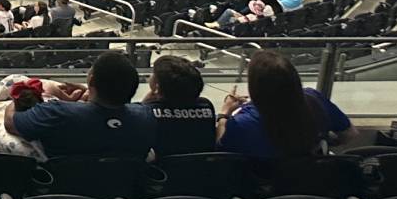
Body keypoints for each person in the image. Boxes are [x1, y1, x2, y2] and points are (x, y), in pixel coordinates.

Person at [2, 50, 153, 157]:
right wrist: (89, 92)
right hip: (121, 193)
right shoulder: (146, 117)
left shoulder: (55, 112)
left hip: (62, 195)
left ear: (92, 80)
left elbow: (10, 122)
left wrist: (17, 97)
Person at [219, 49, 351, 160]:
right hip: (311, 182)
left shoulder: (242, 123)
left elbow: (221, 146)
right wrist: (325, 143)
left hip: (266, 186)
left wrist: (224, 113)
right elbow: (350, 134)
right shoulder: (314, 99)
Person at [144, 54, 218, 156]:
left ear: (157, 85)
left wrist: (148, 100)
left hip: (160, 170)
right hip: (201, 169)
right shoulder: (206, 105)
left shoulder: (147, 113)